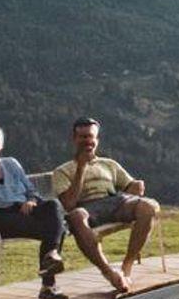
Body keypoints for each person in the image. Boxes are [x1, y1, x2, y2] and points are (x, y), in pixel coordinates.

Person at [0, 122, 125, 299]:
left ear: (0, 145)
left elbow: (31, 191)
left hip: (24, 211)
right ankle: (48, 285)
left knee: (53, 205)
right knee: (57, 228)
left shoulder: (11, 164)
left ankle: (51, 257)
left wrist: (31, 201)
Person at [52, 118, 159, 289]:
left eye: (91, 137)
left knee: (148, 207)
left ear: (97, 140)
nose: (87, 141)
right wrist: (81, 168)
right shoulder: (62, 171)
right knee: (76, 216)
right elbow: (69, 204)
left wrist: (136, 186)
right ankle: (109, 273)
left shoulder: (109, 164)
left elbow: (129, 186)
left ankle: (127, 266)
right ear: (74, 139)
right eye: (83, 137)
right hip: (87, 208)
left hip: (114, 202)